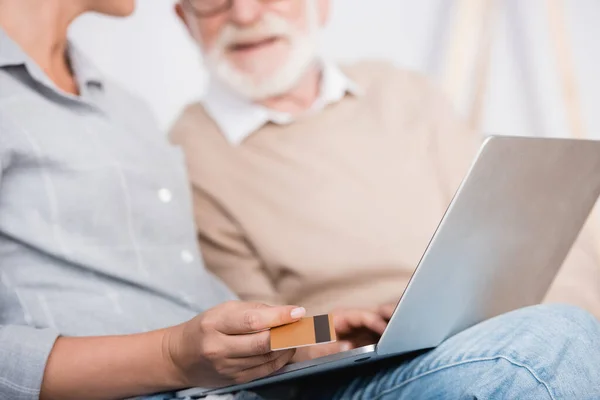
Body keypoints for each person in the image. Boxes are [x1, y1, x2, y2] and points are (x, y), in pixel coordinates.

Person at [1, 1, 600, 400]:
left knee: (557, 332)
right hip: (276, 382)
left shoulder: (122, 112)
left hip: (355, 349)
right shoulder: (187, 148)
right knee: (546, 344)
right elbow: (211, 340)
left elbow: (244, 328)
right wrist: (177, 355)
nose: (246, 12)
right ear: (185, 21)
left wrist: (326, 325)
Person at [170, 0, 600, 319]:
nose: (243, 14)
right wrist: (336, 331)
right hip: (366, 367)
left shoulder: (403, 90)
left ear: (320, 5)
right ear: (184, 20)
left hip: (509, 322)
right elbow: (254, 342)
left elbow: (514, 231)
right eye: (211, 1)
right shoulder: (183, 157)